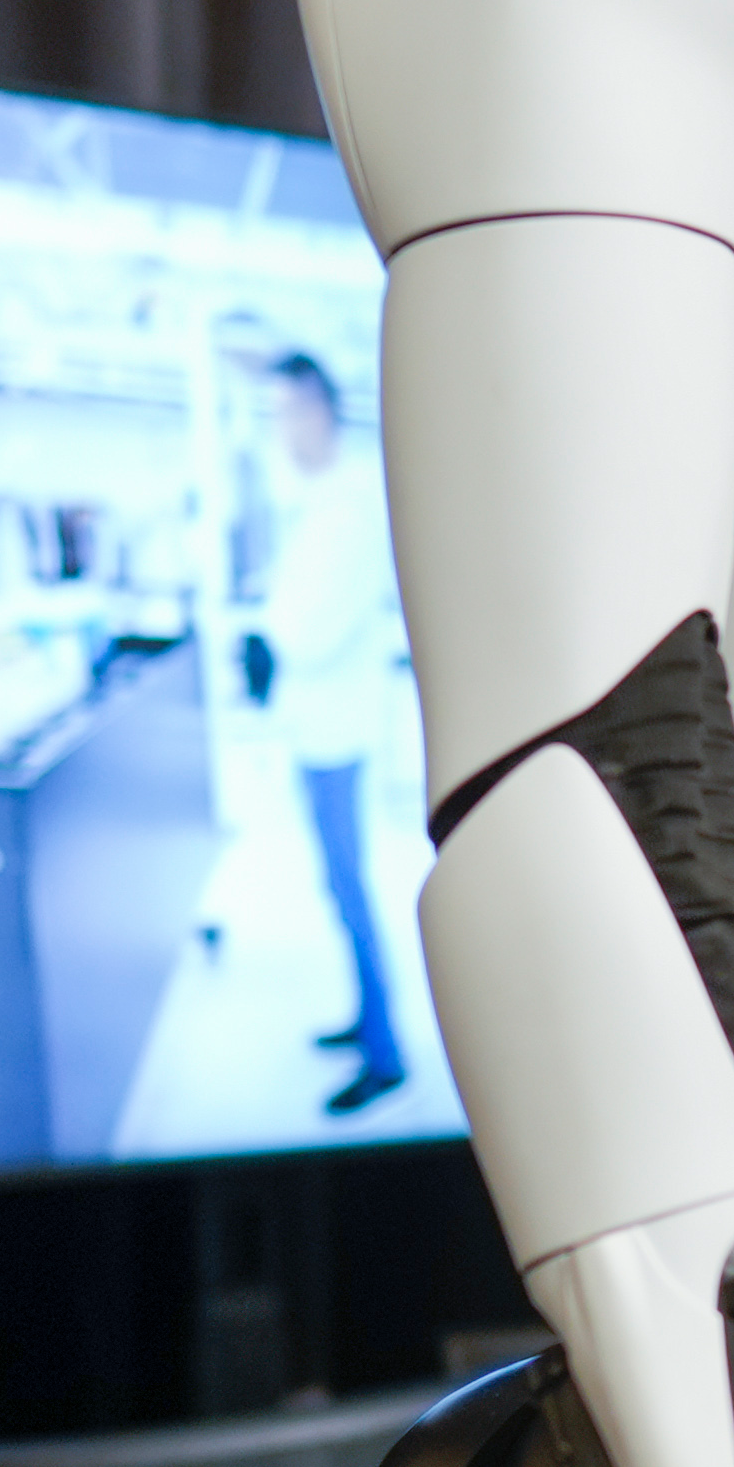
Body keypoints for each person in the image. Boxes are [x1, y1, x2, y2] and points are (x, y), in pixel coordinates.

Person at [241, 346, 413, 1115]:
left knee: (350, 884)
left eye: (282, 414)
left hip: (335, 726)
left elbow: (311, 625)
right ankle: (363, 1019)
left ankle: (387, 1055)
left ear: (316, 411)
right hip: (319, 721)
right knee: (336, 883)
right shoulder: (321, 497)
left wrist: (267, 636)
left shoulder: (349, 503)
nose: (278, 431)